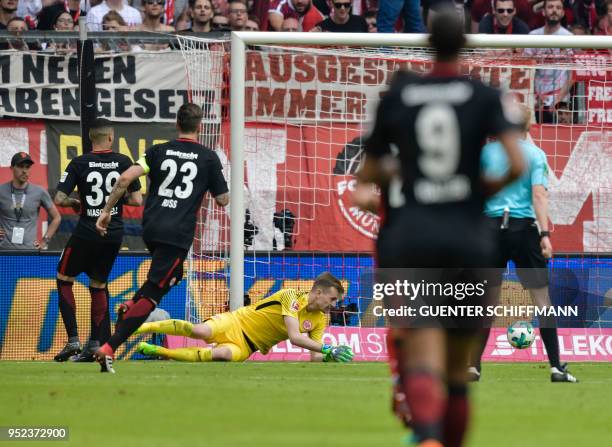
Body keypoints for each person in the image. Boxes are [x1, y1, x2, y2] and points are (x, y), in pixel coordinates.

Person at [355, 10, 524, 447]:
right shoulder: (484, 95)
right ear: (466, 44)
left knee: (422, 354)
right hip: (468, 239)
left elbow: (369, 173)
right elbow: (517, 163)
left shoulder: (399, 95)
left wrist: (406, 180)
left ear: (426, 43)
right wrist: (478, 190)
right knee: (456, 372)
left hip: (412, 236)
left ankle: (427, 437)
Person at [93, 103, 230, 373]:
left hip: (152, 228)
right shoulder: (208, 157)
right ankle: (110, 346)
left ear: (177, 124)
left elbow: (124, 179)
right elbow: (223, 200)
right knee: (155, 293)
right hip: (177, 234)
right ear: (199, 126)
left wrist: (106, 211)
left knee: (174, 274)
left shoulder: (157, 151)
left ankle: (131, 304)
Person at [469, 104, 578, 384]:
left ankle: (472, 366)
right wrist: (544, 235)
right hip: (524, 230)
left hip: (490, 229)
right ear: (529, 127)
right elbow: (539, 196)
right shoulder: (535, 154)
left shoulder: (484, 153)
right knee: (542, 300)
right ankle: (556, 368)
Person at [52, 118, 143, 362]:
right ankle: (95, 345)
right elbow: (136, 201)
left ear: (91, 138)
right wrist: (112, 202)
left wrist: (76, 203)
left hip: (87, 230)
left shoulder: (79, 162)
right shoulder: (124, 162)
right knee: (98, 285)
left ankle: (73, 341)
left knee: (64, 278)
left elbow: (60, 198)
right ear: (111, 138)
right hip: (113, 233)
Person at [135, 273, 355, 363]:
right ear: (318, 292)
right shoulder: (291, 297)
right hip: (236, 322)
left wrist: (327, 357)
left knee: (218, 355)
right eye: (333, 299)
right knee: (200, 331)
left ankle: (161, 352)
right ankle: (139, 327)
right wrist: (327, 348)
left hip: (248, 346)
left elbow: (313, 355)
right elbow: (295, 337)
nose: (334, 305)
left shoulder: (319, 319)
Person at [525, 0, 574, 124]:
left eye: (558, 8)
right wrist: (534, 95)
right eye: (550, 7)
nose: (554, 10)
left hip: (560, 99)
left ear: (563, 13)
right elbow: (525, 70)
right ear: (543, 12)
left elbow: (573, 75)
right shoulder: (532, 36)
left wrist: (558, 99)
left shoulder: (570, 38)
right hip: (535, 99)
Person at [0, 152, 61, 251]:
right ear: (11, 168)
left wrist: (44, 241)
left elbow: (57, 218)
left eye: (27, 167)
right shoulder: (1, 190)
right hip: (3, 251)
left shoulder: (39, 192)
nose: (24, 171)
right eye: (20, 166)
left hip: (29, 252)